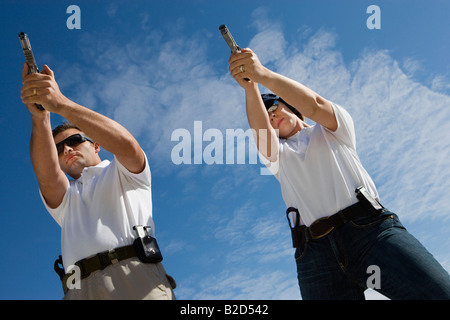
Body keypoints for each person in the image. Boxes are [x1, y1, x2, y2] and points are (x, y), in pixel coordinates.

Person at [228, 48, 450, 299]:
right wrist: (250, 88)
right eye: (265, 115)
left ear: (291, 106)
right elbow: (262, 135)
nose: (271, 116)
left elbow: (315, 105)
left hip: (371, 234)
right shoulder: (277, 156)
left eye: (275, 107)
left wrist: (262, 75)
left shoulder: (333, 129)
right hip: (315, 255)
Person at [20, 63, 175, 300]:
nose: (67, 149)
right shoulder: (67, 197)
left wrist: (60, 103)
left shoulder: (124, 173)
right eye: (59, 148)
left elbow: (128, 146)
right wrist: (40, 116)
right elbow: (48, 178)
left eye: (74, 140)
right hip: (79, 289)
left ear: (96, 144)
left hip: (136, 278)